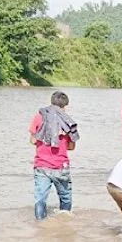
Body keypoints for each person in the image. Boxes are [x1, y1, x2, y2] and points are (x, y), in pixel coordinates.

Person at [29, 91, 79, 220]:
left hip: (41, 165)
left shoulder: (39, 117)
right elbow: (71, 147)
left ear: (51, 102)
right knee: (65, 197)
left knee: (40, 198)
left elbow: (33, 140)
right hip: (61, 166)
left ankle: (39, 224)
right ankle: (65, 222)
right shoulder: (67, 121)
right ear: (65, 106)